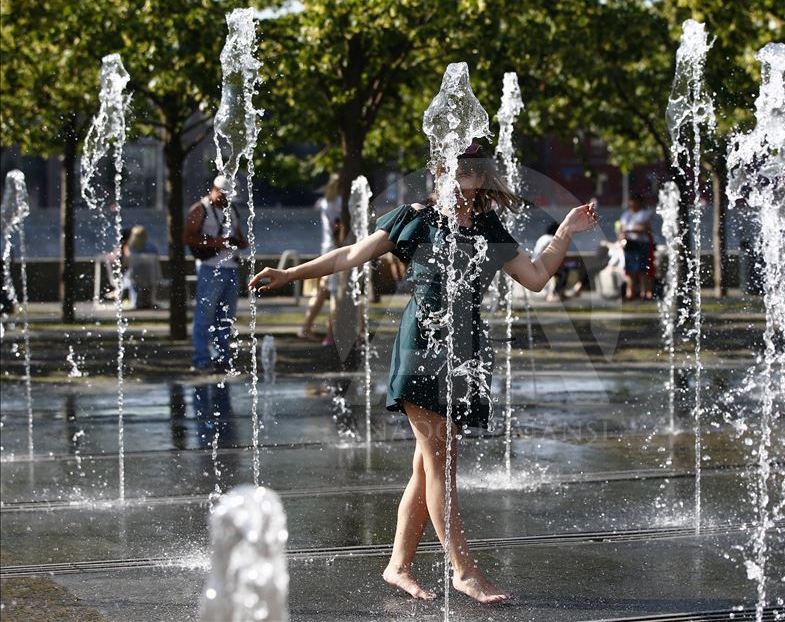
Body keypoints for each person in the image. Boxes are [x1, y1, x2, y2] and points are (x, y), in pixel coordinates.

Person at [249, 141, 598, 604]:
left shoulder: (488, 226)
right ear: (439, 170)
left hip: (466, 352)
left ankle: (398, 566)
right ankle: (464, 570)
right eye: (455, 167)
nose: (463, 176)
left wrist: (568, 231)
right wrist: (291, 275)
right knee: (441, 465)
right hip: (423, 348)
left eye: (473, 169)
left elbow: (535, 277)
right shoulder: (415, 216)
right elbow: (350, 255)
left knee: (427, 464)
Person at [184, 175, 248, 373]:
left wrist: (239, 243)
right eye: (223, 195)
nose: (225, 200)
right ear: (214, 189)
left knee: (226, 317)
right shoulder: (200, 209)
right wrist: (215, 243)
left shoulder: (232, 210)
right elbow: (187, 237)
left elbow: (238, 235)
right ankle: (201, 359)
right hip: (210, 267)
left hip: (232, 267)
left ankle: (222, 358)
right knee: (205, 315)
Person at [299, 188, 342, 343]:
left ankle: (306, 327)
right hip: (338, 250)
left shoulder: (325, 201)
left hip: (326, 248)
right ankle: (330, 334)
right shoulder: (340, 201)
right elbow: (339, 226)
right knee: (336, 292)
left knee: (323, 291)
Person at [619, 194, 654, 300]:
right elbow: (620, 229)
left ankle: (646, 292)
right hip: (629, 244)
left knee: (643, 269)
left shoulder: (644, 214)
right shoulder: (625, 215)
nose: (632, 203)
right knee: (630, 270)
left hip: (641, 243)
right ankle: (630, 292)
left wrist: (629, 229)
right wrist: (621, 237)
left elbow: (644, 228)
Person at [123, 225, 160, 309]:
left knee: (127, 276)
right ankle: (149, 301)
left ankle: (134, 301)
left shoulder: (130, 248)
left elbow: (126, 263)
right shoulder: (151, 247)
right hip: (150, 276)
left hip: (134, 276)